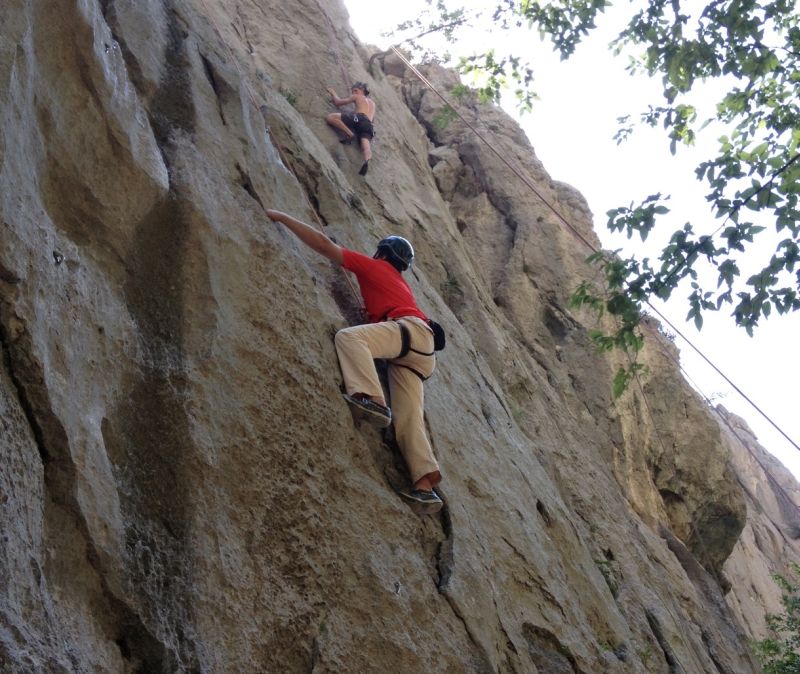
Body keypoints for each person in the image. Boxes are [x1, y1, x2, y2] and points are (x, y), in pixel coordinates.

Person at [265, 208, 443, 512]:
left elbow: (325, 246)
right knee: (409, 419)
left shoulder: (377, 267)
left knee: (350, 338)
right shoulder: (400, 284)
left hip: (408, 334)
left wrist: (283, 217)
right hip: (420, 352)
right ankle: (425, 486)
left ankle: (372, 399)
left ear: (382, 253)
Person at [325, 82, 375, 176]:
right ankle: (367, 160)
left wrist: (332, 93)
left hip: (359, 118)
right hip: (369, 126)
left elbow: (338, 102)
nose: (353, 93)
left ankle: (350, 134)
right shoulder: (373, 104)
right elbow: (371, 119)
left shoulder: (357, 96)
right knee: (366, 147)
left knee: (330, 117)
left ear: (360, 90)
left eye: (355, 91)